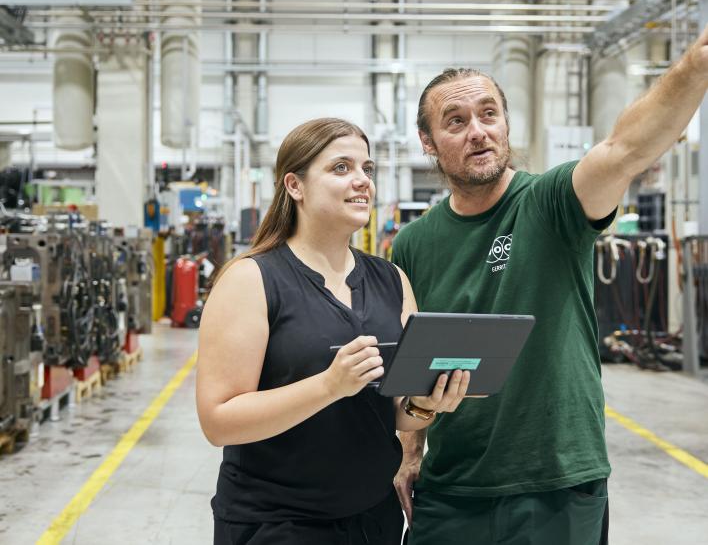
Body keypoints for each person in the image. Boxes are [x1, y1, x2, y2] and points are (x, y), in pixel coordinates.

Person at [391, 30, 708, 545]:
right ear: (428, 143)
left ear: (507, 124)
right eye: (456, 121)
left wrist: (695, 64)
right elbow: (417, 362)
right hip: (451, 486)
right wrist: (410, 452)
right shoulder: (412, 245)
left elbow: (625, 149)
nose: (478, 131)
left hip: (556, 484)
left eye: (489, 114)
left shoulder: (552, 203)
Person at [196, 117, 471, 545]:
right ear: (295, 185)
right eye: (341, 167)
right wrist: (328, 385)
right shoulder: (251, 279)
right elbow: (219, 422)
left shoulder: (392, 280)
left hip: (373, 520)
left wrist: (423, 403)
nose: (362, 181)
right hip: (276, 524)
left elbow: (396, 410)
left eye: (367, 168)